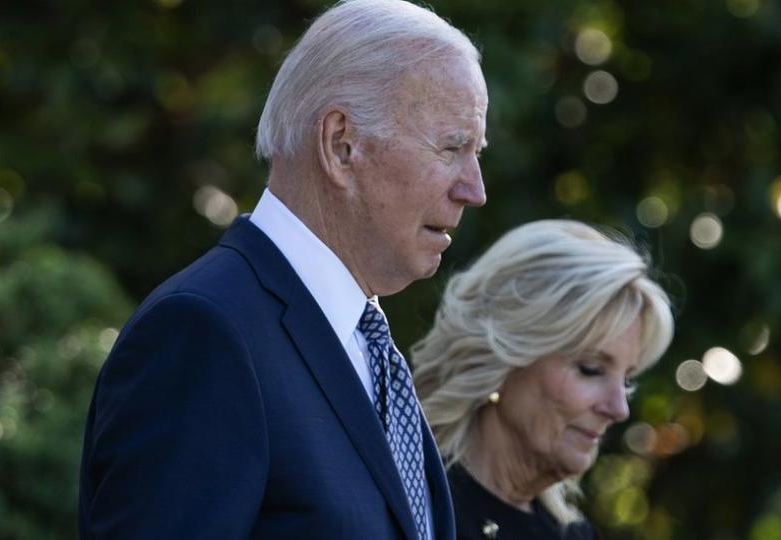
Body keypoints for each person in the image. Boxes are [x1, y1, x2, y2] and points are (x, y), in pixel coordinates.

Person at [78, 0, 488, 538]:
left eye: (476, 152)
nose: (474, 190)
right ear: (341, 145)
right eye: (452, 147)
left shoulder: (365, 345)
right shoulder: (203, 334)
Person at [411, 220, 674, 540]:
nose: (619, 409)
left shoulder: (574, 535)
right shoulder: (408, 507)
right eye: (591, 369)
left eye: (627, 379)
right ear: (503, 357)